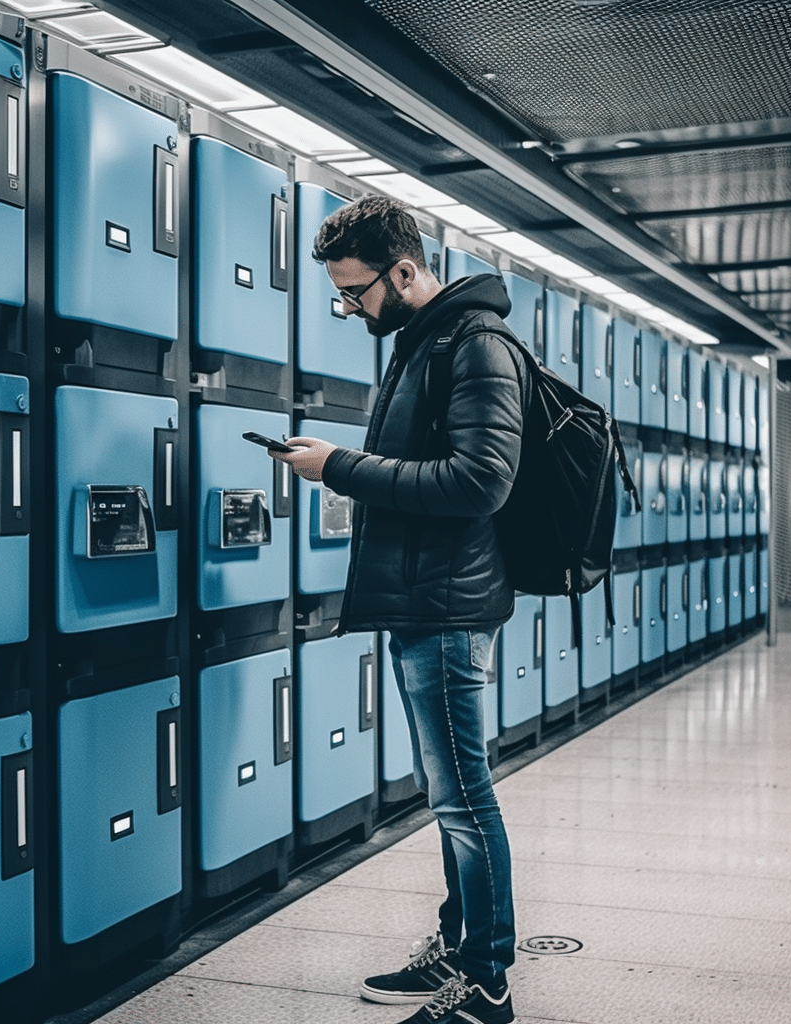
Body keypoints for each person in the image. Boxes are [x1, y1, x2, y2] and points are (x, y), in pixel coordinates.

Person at [268, 194, 529, 1024]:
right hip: (426, 600)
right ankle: (457, 950)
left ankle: (485, 986)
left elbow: (480, 481)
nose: (348, 308)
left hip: (449, 608)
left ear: (405, 271)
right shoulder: (425, 340)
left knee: (463, 798)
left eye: (354, 291)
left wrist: (340, 466)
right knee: (448, 794)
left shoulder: (476, 343)